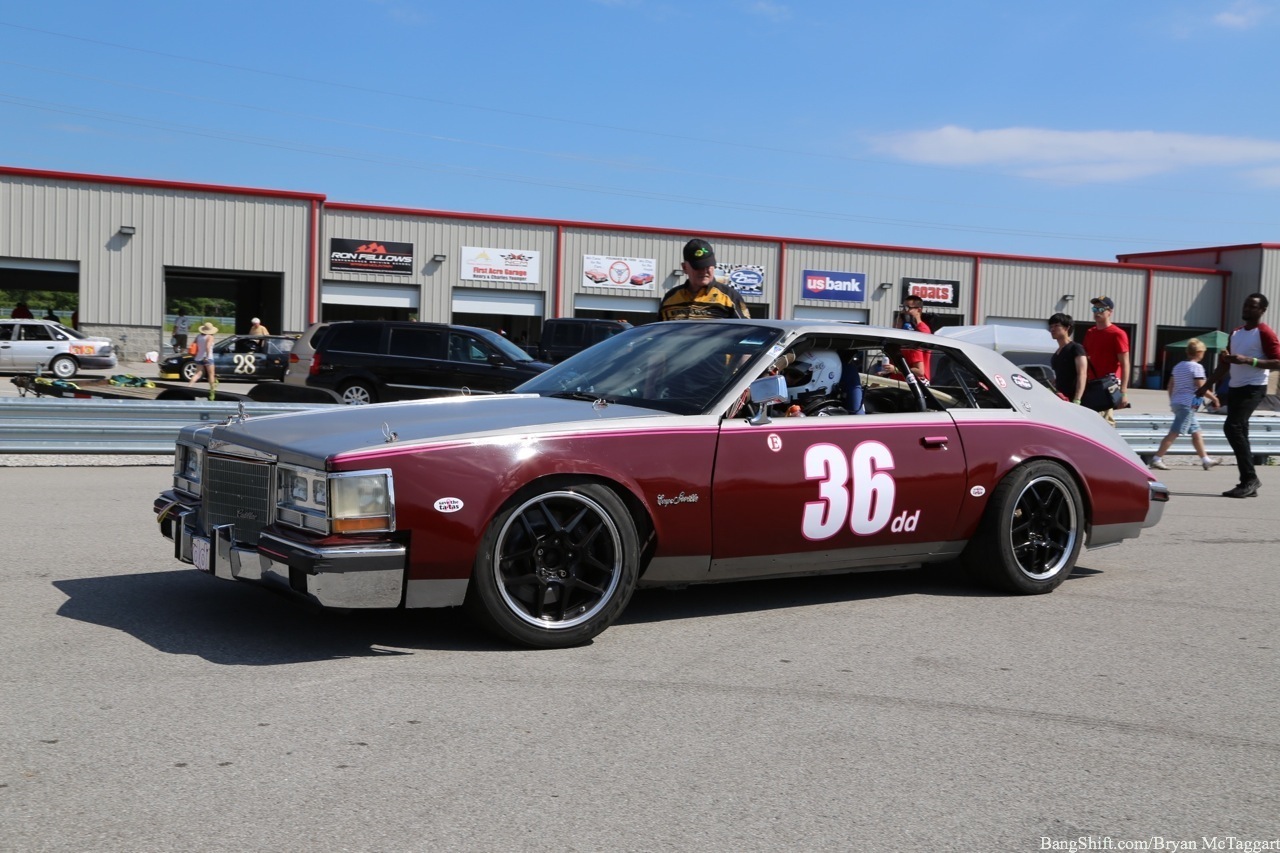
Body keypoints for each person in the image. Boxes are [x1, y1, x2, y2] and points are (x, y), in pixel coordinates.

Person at [1196, 293, 1280, 498]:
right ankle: (1247, 482)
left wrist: (1248, 361)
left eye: (1252, 307)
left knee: (1232, 427)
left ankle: (1250, 479)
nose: (1247, 309)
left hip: (1254, 388)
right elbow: (1225, 364)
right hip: (1235, 388)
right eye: (1246, 305)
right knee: (1240, 431)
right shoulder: (1235, 333)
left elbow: (1278, 361)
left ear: (1262, 311)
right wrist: (1205, 386)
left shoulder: (1265, 333)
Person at [1148, 338, 1220, 471]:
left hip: (1178, 402)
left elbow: (1170, 385)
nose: (1204, 354)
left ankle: (1205, 460)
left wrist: (1173, 400)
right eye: (1203, 351)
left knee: (1196, 432)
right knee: (1174, 432)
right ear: (1198, 352)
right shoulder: (1197, 367)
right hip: (1187, 404)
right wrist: (1214, 398)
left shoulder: (1178, 366)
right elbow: (1201, 387)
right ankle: (1157, 458)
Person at [659, 239, 751, 321]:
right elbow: (658, 333)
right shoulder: (670, 299)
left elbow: (745, 330)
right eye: (698, 267)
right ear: (685, 267)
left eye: (708, 266)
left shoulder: (730, 297)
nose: (704, 271)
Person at [1082, 296, 1130, 424]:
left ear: (1110, 312)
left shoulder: (1117, 334)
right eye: (1094, 308)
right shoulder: (1090, 333)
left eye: (1101, 309)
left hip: (1108, 385)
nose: (1097, 311)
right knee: (1090, 421)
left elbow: (1125, 364)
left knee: (1105, 423)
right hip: (1091, 384)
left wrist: (1123, 392)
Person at [881, 295, 932, 382]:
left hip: (915, 383)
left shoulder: (920, 332)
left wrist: (896, 370)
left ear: (919, 310)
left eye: (907, 308)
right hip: (902, 380)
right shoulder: (908, 334)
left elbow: (919, 370)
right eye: (903, 307)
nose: (904, 311)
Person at [1048, 312, 1088, 404]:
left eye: (1056, 326)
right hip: (1061, 398)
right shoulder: (1057, 353)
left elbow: (1082, 374)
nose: (1052, 329)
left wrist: (1077, 398)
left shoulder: (1076, 348)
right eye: (1051, 326)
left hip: (1074, 398)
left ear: (1067, 328)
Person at [188, 322, 218, 386]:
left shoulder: (198, 336)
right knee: (211, 374)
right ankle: (212, 390)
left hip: (198, 357)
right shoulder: (210, 337)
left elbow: (193, 345)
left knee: (197, 374)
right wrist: (207, 356)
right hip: (208, 357)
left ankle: (189, 386)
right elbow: (208, 347)